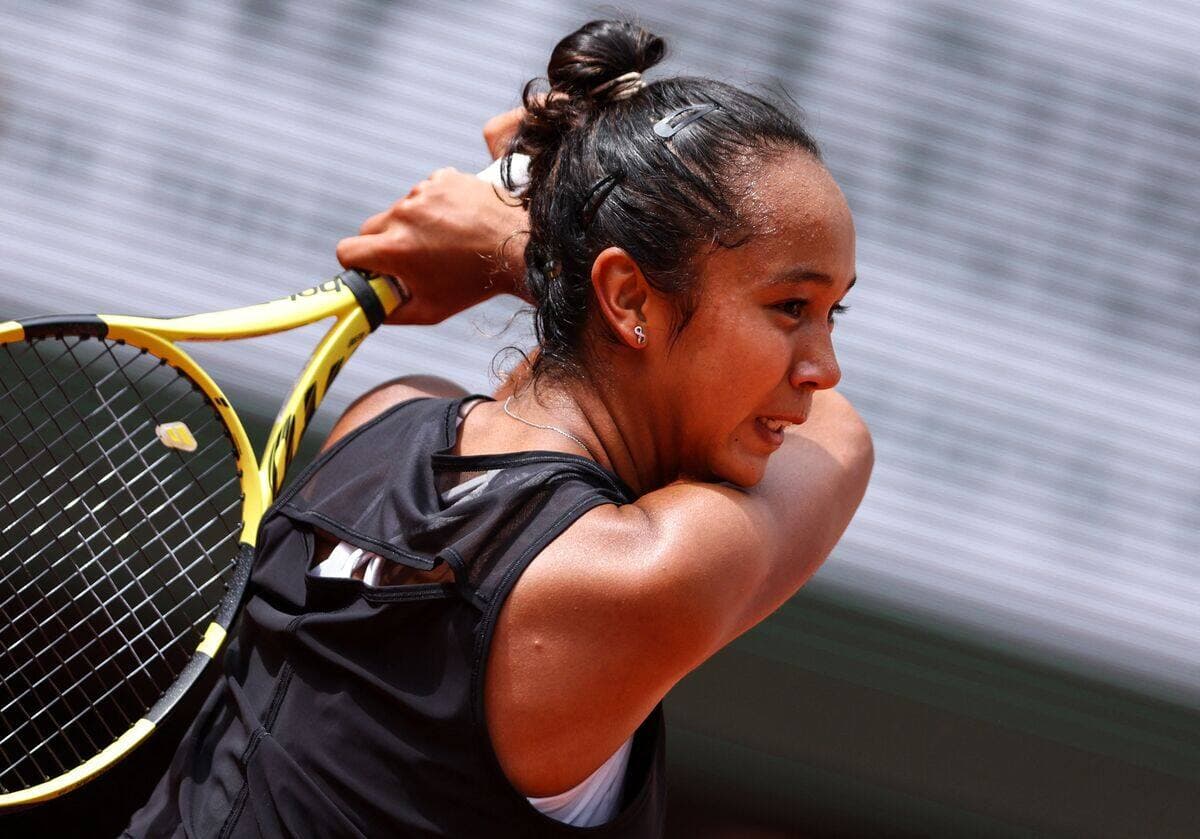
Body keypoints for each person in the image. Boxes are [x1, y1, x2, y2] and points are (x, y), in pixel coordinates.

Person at [124, 18, 871, 838]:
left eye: (833, 313)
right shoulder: (642, 573)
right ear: (625, 297)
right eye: (791, 307)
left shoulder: (384, 419)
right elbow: (840, 441)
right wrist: (516, 243)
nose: (821, 366)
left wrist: (556, 243)